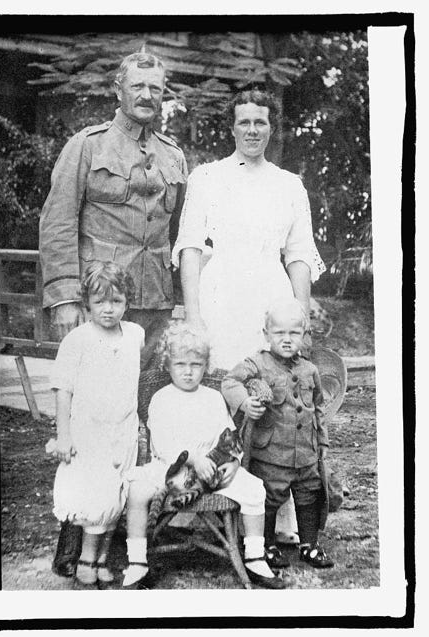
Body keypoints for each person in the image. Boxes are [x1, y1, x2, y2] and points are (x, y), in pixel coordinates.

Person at [172, 88, 326, 544]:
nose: (253, 130)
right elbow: (190, 247)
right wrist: (195, 314)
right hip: (221, 295)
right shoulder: (207, 177)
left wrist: (298, 315)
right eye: (244, 122)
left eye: (261, 122)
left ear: (271, 128)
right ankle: (213, 503)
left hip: (269, 295)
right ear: (232, 126)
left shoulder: (288, 184)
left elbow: (298, 253)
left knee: (275, 394)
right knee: (225, 392)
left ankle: (275, 516)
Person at [39, 51, 187, 369]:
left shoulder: (174, 155)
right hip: (100, 299)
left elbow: (178, 234)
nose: (146, 95)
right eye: (137, 86)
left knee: (144, 400)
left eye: (155, 89)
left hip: (155, 305)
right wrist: (64, 299)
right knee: (94, 400)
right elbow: (57, 222)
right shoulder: (87, 145)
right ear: (119, 90)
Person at [122, 321, 286, 589]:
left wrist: (233, 462)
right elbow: (163, 444)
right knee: (137, 490)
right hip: (170, 468)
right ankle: (137, 562)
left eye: (195, 365)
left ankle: (255, 556)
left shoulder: (212, 397)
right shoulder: (162, 398)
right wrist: (193, 460)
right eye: (180, 365)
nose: (188, 372)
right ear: (168, 364)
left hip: (213, 467)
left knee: (254, 488)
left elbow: (229, 435)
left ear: (205, 366)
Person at [47, 262, 144, 587]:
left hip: (123, 431)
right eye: (100, 302)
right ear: (87, 302)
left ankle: (102, 558)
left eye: (116, 301)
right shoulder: (78, 339)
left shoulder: (134, 335)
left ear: (126, 302)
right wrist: (64, 434)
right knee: (96, 497)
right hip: (90, 433)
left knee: (116, 497)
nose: (108, 309)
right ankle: (86, 559)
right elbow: (64, 389)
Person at [221, 299, 334, 571]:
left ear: (304, 336)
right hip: (270, 453)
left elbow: (318, 408)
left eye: (294, 333)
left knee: (309, 494)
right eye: (279, 333)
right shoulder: (257, 363)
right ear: (266, 334)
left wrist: (323, 441)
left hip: (306, 453)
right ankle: (267, 545)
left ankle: (309, 545)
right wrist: (245, 402)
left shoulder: (310, 370)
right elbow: (229, 381)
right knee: (269, 497)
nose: (286, 339)